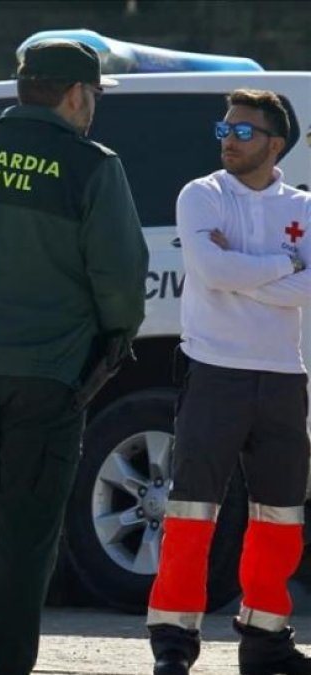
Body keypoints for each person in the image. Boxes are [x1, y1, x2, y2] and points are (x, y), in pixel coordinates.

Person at [0, 39, 148, 675]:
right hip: (49, 372)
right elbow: (122, 282)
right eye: (94, 95)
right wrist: (109, 339)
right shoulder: (92, 166)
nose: (94, 107)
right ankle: (11, 662)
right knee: (28, 527)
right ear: (74, 95)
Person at [147, 89, 311, 675]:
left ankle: (266, 642)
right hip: (214, 370)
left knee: (281, 518)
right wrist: (288, 263)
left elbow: (305, 286)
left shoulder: (305, 205)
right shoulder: (202, 194)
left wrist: (247, 271)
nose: (228, 139)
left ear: (276, 143)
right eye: (224, 128)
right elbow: (210, 271)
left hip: (284, 377)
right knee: (192, 512)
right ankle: (173, 643)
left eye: (243, 131)